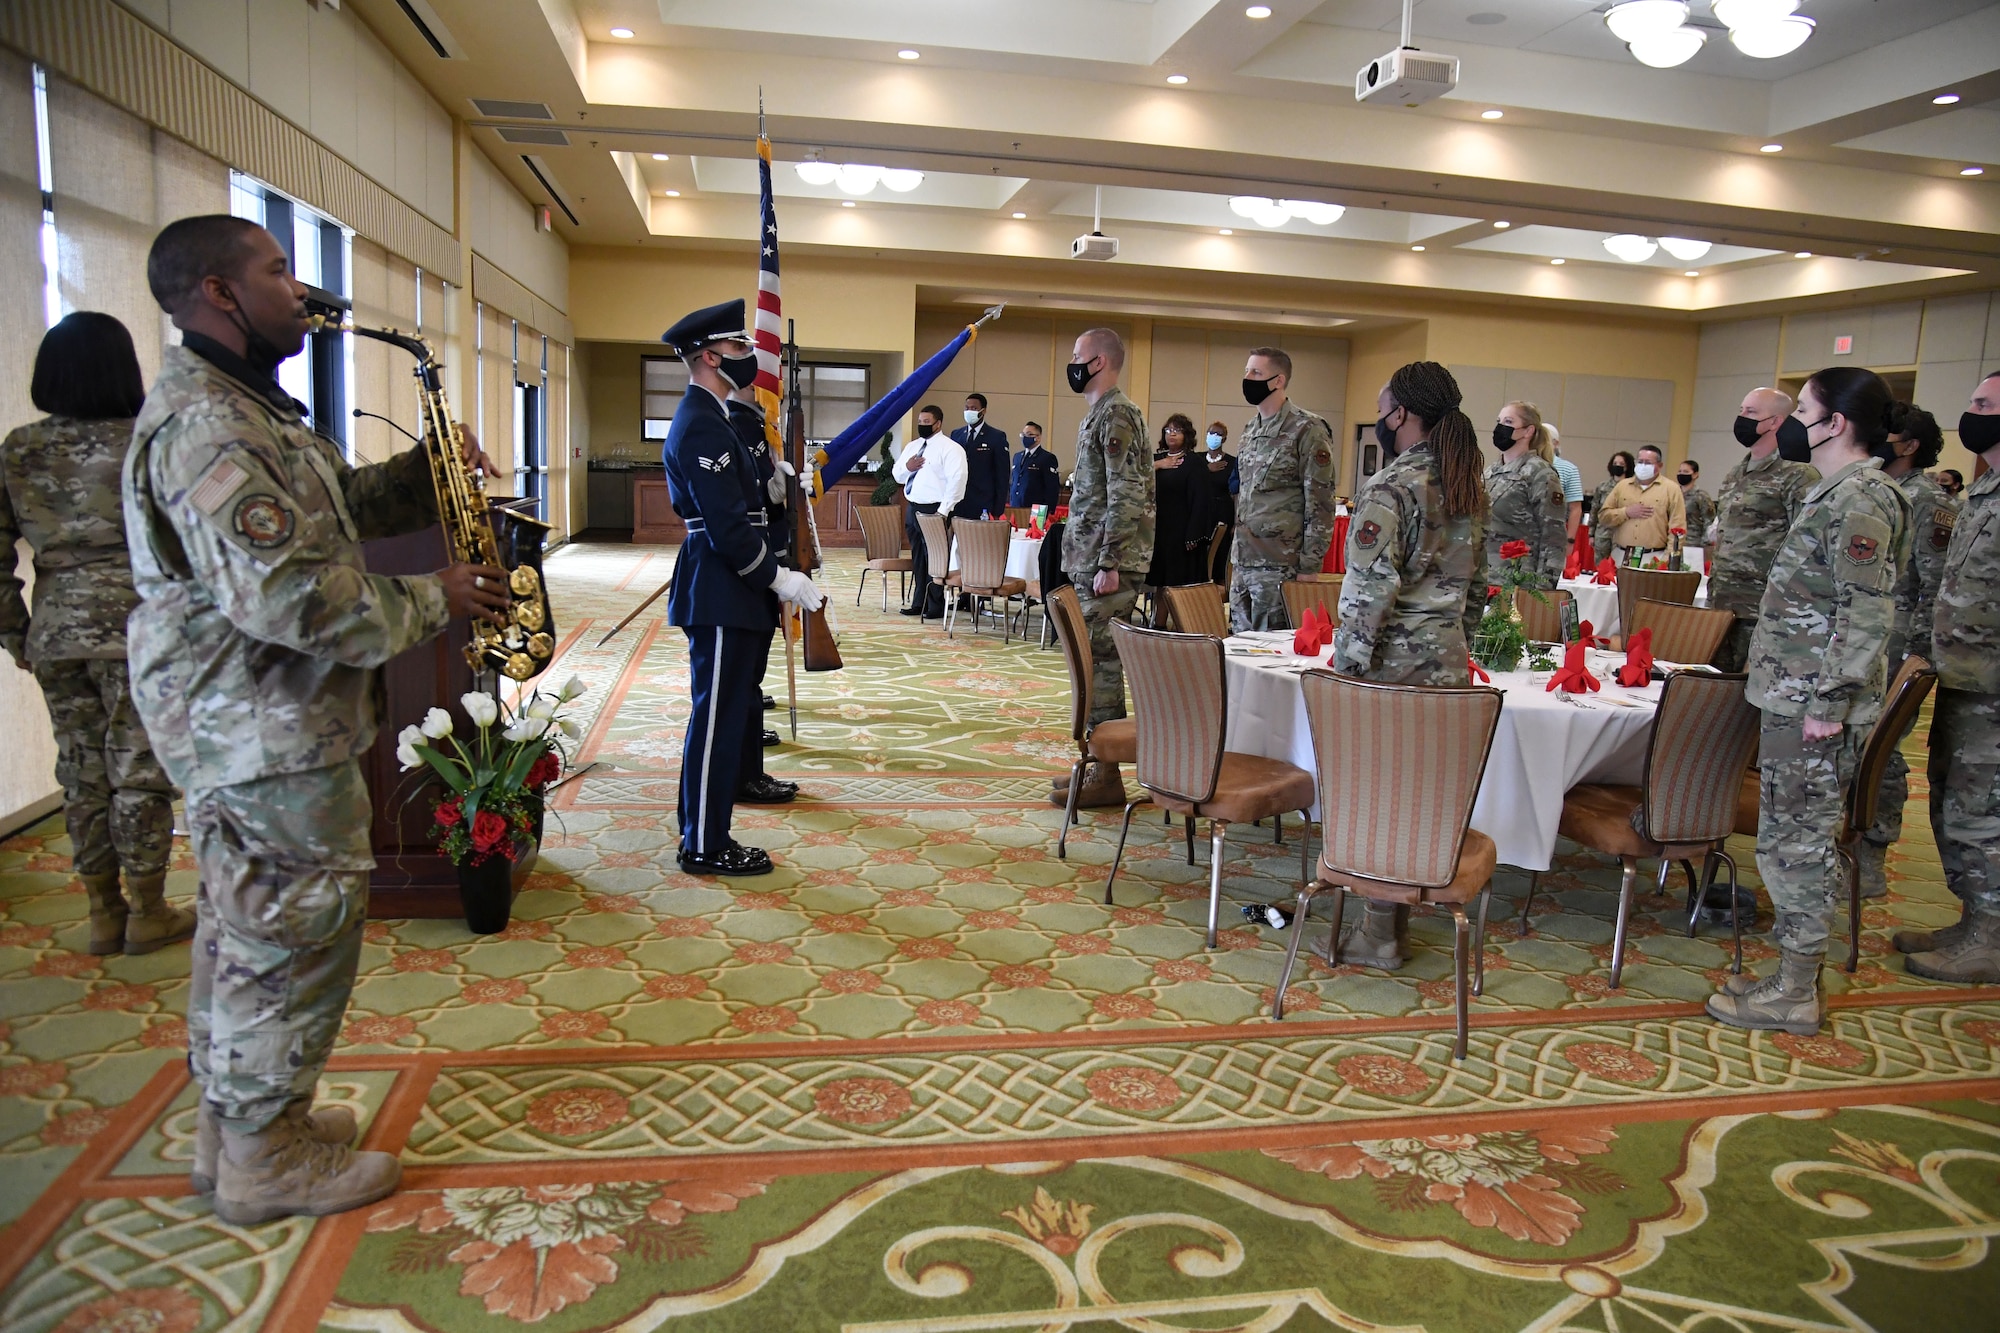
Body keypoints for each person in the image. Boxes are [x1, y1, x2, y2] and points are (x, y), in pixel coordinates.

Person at [126, 214, 514, 1222]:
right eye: (278, 267)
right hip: (257, 725)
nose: (298, 288)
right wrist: (438, 596)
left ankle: (244, 1128)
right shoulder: (207, 423)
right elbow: (288, 595)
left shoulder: (250, 405)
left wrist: (419, 474)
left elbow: (326, 513)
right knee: (293, 933)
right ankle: (266, 1156)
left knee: (245, 926)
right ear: (218, 290)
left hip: (265, 719)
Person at [1708, 367, 1910, 1036]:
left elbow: (1865, 609)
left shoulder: (1861, 499)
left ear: (1836, 424)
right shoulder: (1835, 491)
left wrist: (1831, 697)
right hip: (1794, 692)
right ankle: (1791, 977)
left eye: (1808, 410)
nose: (1797, 421)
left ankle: (1794, 992)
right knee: (1785, 840)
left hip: (1815, 703)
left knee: (1797, 846)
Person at [0, 313, 191, 958]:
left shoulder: (19, 448)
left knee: (82, 774)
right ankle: (149, 910)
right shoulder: (153, 441)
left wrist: (17, 635)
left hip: (57, 632)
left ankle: (103, 914)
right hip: (142, 627)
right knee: (139, 771)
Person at [659, 299, 824, 879]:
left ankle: (697, 824)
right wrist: (778, 577)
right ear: (709, 356)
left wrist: (776, 482)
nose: (747, 357)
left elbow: (744, 501)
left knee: (723, 714)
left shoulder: (720, 418)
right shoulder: (702, 422)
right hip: (723, 586)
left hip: (734, 587)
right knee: (720, 718)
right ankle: (704, 842)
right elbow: (727, 528)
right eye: (735, 349)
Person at [1331, 361, 1488, 972]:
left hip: (1391, 669)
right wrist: (1458, 645)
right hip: (1445, 665)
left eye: (1383, 410)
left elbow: (1370, 589)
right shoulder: (1467, 483)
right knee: (1420, 794)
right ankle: (1393, 919)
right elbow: (1477, 586)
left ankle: (1379, 932)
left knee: (1377, 795)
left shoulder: (1392, 485)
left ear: (1402, 415)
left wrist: (1346, 669)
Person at [1899, 370, 2000, 983]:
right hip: (1965, 677)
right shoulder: (1984, 493)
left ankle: (1990, 937)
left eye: (1984, 404)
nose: (1971, 413)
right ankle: (1974, 920)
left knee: (1985, 811)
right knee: (1953, 801)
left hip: (1994, 688)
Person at [1856, 403, 1958, 898]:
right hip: (1865, 639)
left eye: (1888, 432)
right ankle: (1847, 838)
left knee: (1885, 749)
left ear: (1910, 444)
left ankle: (1873, 851)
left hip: (1900, 647)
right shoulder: (1876, 489)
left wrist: (1914, 659)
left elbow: (1936, 585)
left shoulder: (1928, 502)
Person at [1053, 328, 1150, 811]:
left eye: (1077, 356)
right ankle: (1096, 761)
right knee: (1094, 662)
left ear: (1100, 362)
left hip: (1107, 564)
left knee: (1104, 665)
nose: (1071, 363)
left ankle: (1107, 774)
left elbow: (1126, 493)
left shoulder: (1116, 413)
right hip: (1091, 558)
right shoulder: (1099, 413)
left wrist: (1110, 560)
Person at [1709, 387, 1817, 675]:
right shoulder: (1736, 472)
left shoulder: (1797, 474)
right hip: (1721, 600)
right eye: (1741, 411)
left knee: (1747, 694)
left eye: (1751, 412)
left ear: (1775, 422)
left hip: (1760, 606)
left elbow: (1804, 543)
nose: (1742, 418)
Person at [1229, 347, 1336, 631]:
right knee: (1239, 651)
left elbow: (1321, 503)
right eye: (1246, 371)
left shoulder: (1307, 429)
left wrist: (1310, 566)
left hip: (1280, 565)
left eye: (1256, 372)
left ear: (1278, 380)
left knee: (1273, 652)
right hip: (1244, 561)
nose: (1248, 378)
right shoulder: (1251, 429)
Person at [724, 381, 795, 798]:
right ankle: (741, 777)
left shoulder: (754, 425)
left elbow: (758, 500)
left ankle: (749, 770)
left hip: (761, 560)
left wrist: (776, 496)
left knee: (750, 678)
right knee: (739, 682)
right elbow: (731, 514)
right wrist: (777, 575)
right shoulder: (728, 425)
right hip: (741, 573)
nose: (771, 388)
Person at [1483, 400, 1567, 588]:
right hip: (1486, 578)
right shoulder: (1491, 472)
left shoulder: (1540, 473)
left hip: (1519, 580)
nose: (1500, 427)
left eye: (1508, 422)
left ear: (1528, 431)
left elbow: (1554, 536)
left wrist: (1544, 587)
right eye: (1499, 421)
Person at [894, 404, 965, 618]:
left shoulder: (951, 448)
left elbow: (957, 482)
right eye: (920, 422)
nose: (922, 426)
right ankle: (919, 602)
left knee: (935, 558)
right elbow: (897, 475)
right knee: (918, 557)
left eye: (927, 422)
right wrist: (908, 467)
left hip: (936, 509)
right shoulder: (913, 446)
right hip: (913, 507)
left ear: (938, 423)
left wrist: (943, 512)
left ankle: (935, 605)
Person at [1147, 413, 1209, 599]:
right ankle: (1156, 622)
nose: (1171, 434)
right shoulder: (1155, 459)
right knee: (1159, 579)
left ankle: (1171, 623)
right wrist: (1158, 465)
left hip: (1181, 531)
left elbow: (1201, 500)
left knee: (1174, 583)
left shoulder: (1194, 462)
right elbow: (1136, 478)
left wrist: (1194, 534)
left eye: (1177, 430)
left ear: (1187, 435)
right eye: (1168, 430)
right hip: (1157, 528)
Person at [1596, 444, 1687, 562]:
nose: (1643, 466)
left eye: (1648, 463)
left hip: (1653, 557)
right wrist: (1626, 512)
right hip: (1621, 555)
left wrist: (1666, 559)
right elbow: (1603, 517)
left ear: (1659, 466)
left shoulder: (1671, 489)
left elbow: (1678, 527)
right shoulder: (1622, 486)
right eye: (1640, 462)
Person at [952, 392, 1010, 522]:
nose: (969, 411)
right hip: (958, 501)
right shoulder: (956, 435)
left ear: (983, 411)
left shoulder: (996, 437)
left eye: (973, 408)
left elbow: (1002, 475)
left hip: (983, 502)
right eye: (967, 408)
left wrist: (998, 509)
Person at [1195, 421, 1239, 585]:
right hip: (1201, 513)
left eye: (1218, 434)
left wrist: (1236, 521)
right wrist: (1206, 469)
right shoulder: (1197, 460)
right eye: (1211, 433)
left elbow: (1235, 493)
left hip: (1222, 513)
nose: (1213, 437)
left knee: (1220, 557)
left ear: (1225, 438)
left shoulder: (1232, 462)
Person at [1591, 452, 1633, 561]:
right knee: (1601, 568)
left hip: (1622, 535)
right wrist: (1591, 534)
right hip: (1603, 534)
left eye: (1621, 464)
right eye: (1615, 463)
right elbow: (1594, 510)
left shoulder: (1632, 487)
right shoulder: (1602, 487)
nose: (1617, 466)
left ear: (1627, 466)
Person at [1009, 420, 1059, 509]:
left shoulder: (1046, 458)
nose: (1025, 437)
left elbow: (1052, 488)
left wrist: (1049, 510)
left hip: (1037, 508)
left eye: (1029, 434)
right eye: (1023, 434)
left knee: (1035, 524)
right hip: (1016, 505)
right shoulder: (1017, 456)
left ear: (1038, 437)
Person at [1547, 424, 1584, 540]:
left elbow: (1575, 508)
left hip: (1554, 537)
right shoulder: (1525, 465)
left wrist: (1570, 539)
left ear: (1555, 443)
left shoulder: (1569, 469)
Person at [1676, 457, 1716, 544]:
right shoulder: (1674, 494)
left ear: (1695, 474)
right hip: (1674, 542)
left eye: (1686, 472)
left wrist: (1705, 543)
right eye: (1680, 471)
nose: (1681, 474)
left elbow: (1709, 522)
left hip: (1693, 543)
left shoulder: (1701, 496)